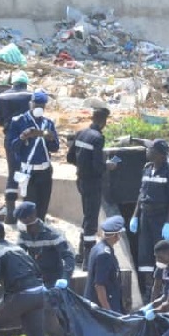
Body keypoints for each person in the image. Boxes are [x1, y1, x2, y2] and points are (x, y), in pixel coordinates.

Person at [66, 102, 117, 268]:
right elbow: (97, 166)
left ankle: (81, 254)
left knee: (87, 216)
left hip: (81, 180)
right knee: (91, 220)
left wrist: (83, 166)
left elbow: (70, 158)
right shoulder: (98, 138)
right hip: (93, 183)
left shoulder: (81, 133)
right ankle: (88, 259)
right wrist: (108, 166)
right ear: (103, 121)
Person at [129, 139, 169, 301]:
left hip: (160, 217)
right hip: (145, 216)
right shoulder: (147, 169)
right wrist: (135, 216)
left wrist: (168, 223)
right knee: (144, 252)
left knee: (162, 253)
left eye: (151, 150)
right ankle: (147, 290)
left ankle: (163, 290)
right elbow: (141, 194)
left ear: (160, 155)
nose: (147, 151)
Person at [8, 90, 59, 221]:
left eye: (42, 105)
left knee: (43, 204)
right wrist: (23, 137)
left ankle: (40, 225)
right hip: (28, 171)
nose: (39, 108)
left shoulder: (48, 123)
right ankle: (27, 228)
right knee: (30, 206)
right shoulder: (19, 121)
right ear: (30, 103)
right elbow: (12, 147)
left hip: (45, 170)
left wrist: (50, 138)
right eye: (37, 104)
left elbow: (55, 148)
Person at [0, 71, 32, 224]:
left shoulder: (0, 97)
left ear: (13, 83)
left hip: (10, 137)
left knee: (13, 173)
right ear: (25, 83)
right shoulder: (31, 96)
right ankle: (27, 214)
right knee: (28, 172)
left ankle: (10, 214)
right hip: (29, 138)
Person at [14, 202, 75, 289]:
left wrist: (65, 278)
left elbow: (69, 257)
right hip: (36, 279)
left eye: (21, 220)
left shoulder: (52, 235)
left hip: (54, 279)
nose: (20, 223)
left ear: (31, 217)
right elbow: (18, 256)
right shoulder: (24, 236)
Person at [84, 215, 125, 313]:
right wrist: (109, 312)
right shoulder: (104, 254)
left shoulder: (98, 248)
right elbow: (99, 286)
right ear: (116, 235)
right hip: (101, 308)